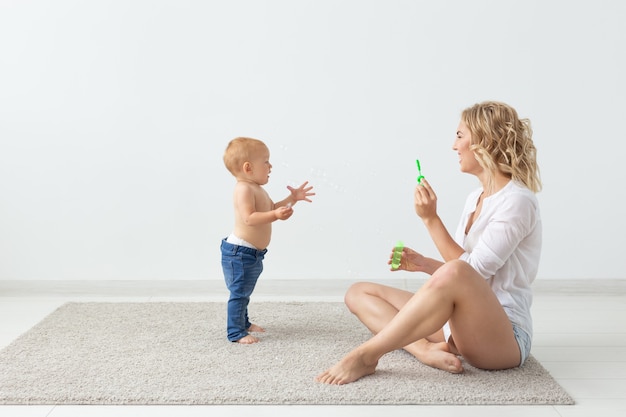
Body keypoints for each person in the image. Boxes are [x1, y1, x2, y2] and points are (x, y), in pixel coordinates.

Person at [316, 101, 542, 384]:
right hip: (458, 323)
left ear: (485, 140)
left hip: (503, 337)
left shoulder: (517, 201)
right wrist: (425, 265)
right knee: (358, 292)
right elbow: (463, 272)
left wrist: (430, 220)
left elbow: (471, 273)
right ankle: (423, 350)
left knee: (458, 272)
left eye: (460, 136)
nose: (454, 146)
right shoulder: (475, 199)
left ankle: (367, 355)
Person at [221, 137, 315, 344]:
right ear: (248, 167)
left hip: (251, 253)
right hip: (240, 253)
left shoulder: (257, 188)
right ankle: (235, 332)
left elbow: (272, 209)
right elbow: (249, 218)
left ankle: (243, 322)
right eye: (266, 161)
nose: (270, 166)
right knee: (239, 292)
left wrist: (293, 199)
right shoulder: (243, 189)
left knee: (245, 290)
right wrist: (276, 216)